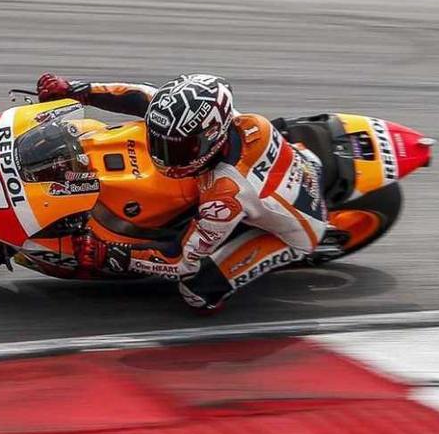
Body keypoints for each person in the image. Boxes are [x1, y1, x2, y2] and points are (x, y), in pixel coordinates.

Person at [37, 73, 328, 313]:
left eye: (177, 148)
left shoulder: (224, 193)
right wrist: (77, 91)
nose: (164, 156)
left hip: (292, 231)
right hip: (285, 171)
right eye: (159, 142)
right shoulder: (230, 122)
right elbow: (141, 96)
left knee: (196, 292)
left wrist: (112, 254)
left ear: (210, 139)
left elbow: (181, 259)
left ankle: (250, 253)